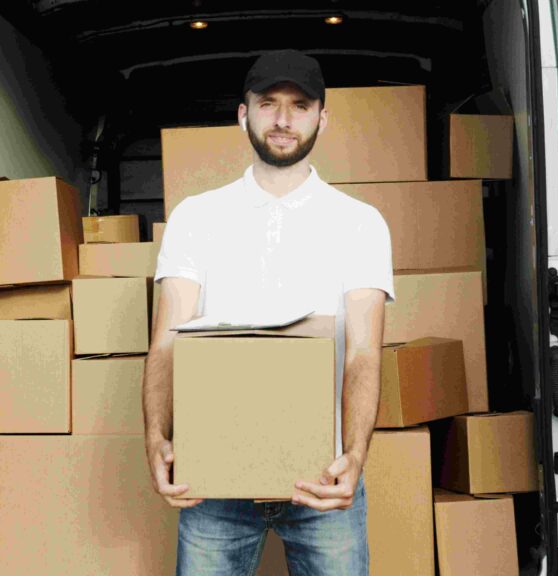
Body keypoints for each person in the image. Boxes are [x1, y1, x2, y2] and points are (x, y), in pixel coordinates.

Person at [143, 49, 395, 575]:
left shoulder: (359, 224)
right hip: (213, 482)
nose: (283, 120)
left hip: (322, 476)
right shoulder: (196, 218)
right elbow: (167, 339)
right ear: (243, 114)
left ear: (322, 117)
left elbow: (365, 353)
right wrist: (156, 435)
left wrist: (355, 456)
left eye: (300, 105)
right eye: (268, 104)